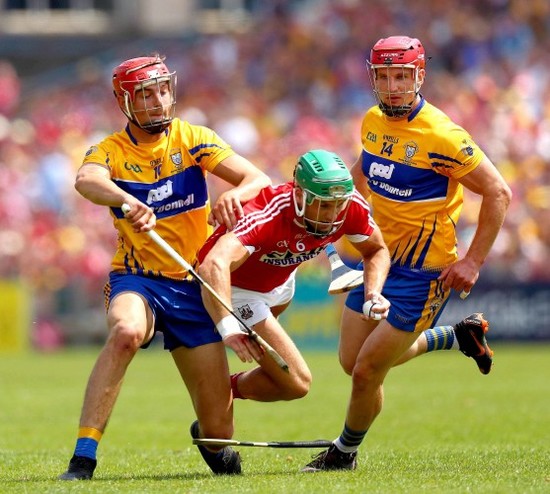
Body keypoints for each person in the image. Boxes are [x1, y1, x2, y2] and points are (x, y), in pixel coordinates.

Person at [302, 36, 512, 472]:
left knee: (366, 372)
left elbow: (498, 192)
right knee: (350, 362)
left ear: (419, 76)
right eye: (384, 76)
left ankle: (344, 453)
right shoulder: (372, 121)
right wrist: (339, 217)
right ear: (373, 78)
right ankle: (456, 336)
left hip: (424, 272)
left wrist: (471, 261)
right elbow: (362, 174)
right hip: (376, 259)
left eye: (402, 76)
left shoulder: (442, 135)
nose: (393, 85)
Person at [59, 54, 271, 480]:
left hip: (196, 287)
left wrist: (235, 195)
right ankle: (83, 458)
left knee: (218, 436)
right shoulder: (111, 150)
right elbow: (87, 180)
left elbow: (257, 178)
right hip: (139, 278)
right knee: (126, 333)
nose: (158, 101)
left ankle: (211, 437)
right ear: (126, 101)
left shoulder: (192, 138)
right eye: (145, 95)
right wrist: (125, 199)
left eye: (162, 90)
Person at [197, 149, 391, 402]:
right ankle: (220, 390)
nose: (333, 216)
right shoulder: (268, 211)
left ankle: (220, 388)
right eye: (324, 206)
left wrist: (373, 293)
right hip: (236, 288)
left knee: (277, 374)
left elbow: (376, 249)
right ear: (299, 195)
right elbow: (213, 264)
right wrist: (228, 326)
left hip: (281, 281)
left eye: (338, 205)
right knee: (297, 383)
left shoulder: (350, 205)